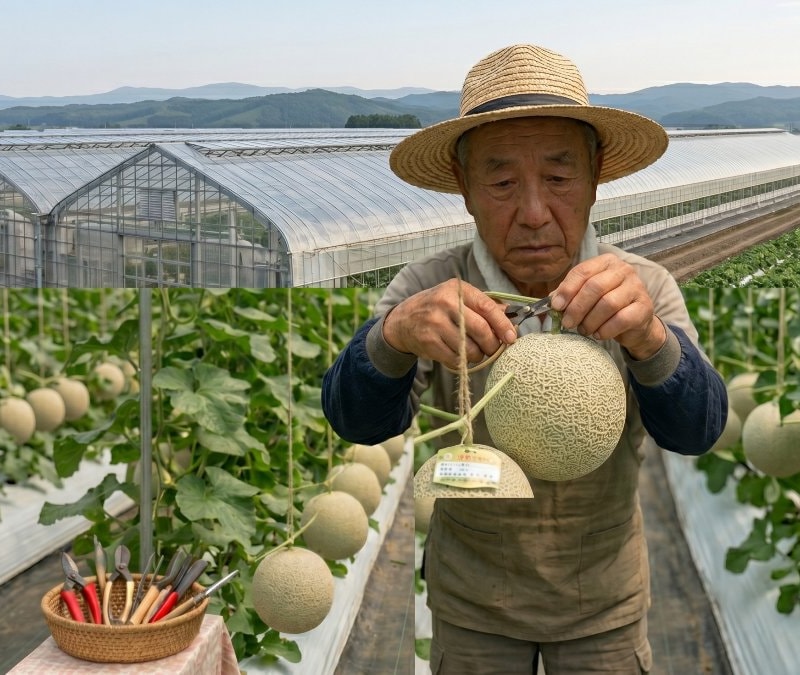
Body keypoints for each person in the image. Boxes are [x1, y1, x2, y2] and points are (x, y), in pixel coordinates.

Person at [322, 44, 727, 675]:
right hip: (473, 605)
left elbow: (698, 430)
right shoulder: (429, 289)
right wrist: (391, 338)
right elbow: (359, 422)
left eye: (560, 179)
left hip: (605, 607)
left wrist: (651, 340)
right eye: (503, 182)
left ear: (596, 179)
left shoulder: (641, 287)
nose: (534, 214)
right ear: (464, 188)